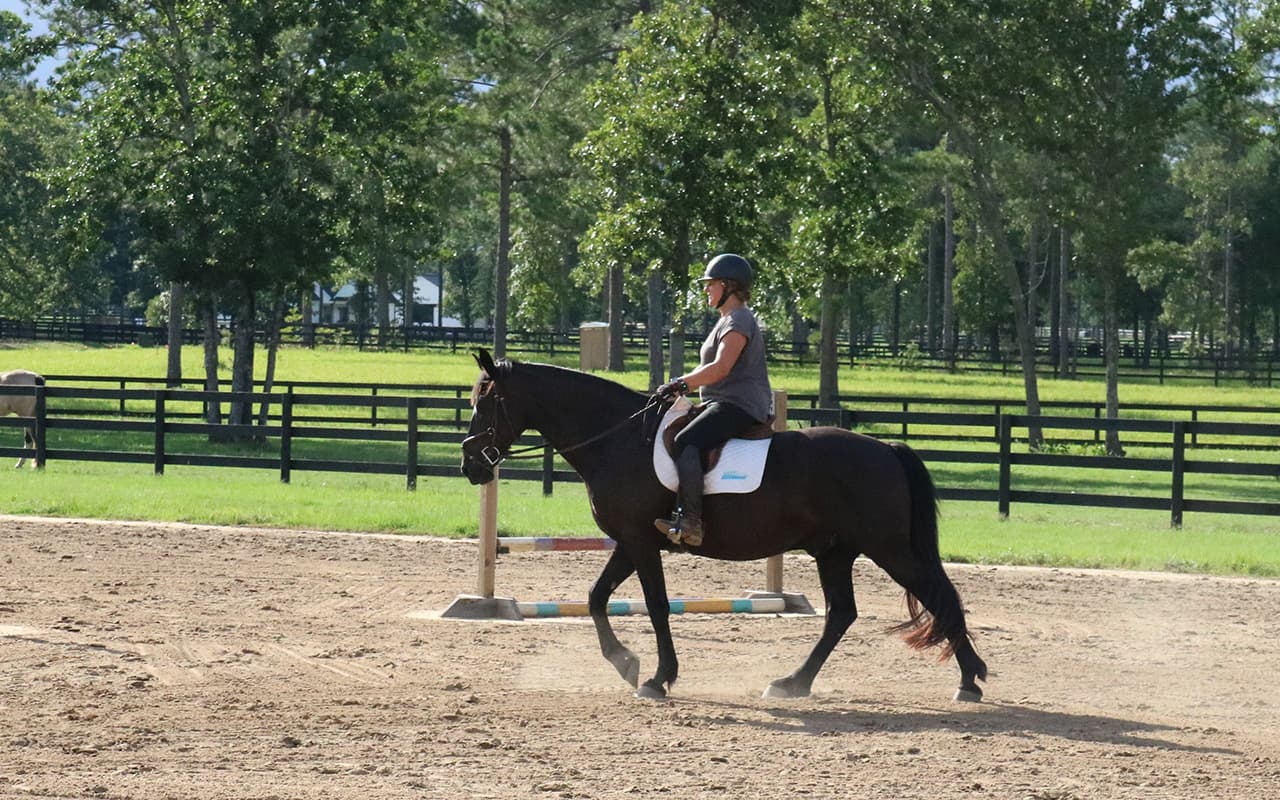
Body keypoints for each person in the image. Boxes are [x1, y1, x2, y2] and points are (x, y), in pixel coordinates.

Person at [654, 253, 773, 547]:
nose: (707, 289)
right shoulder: (725, 320)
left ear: (729, 286)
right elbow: (708, 371)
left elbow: (721, 368)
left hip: (739, 404)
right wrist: (681, 387)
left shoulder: (739, 319)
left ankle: (691, 521)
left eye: (711, 284)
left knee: (686, 440)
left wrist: (681, 383)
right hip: (721, 402)